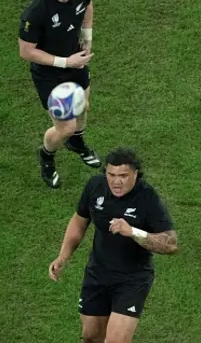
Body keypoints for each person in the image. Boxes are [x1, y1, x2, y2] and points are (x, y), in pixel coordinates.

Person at [49, 147, 178, 343]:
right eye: (111, 174)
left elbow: (170, 244)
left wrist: (133, 232)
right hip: (97, 274)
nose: (116, 181)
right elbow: (79, 221)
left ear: (135, 174)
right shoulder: (95, 187)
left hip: (132, 279)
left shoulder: (148, 198)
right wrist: (63, 256)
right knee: (90, 337)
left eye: (123, 176)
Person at [19, 0, 100, 189]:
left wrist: (87, 39)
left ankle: (76, 143)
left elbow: (87, 7)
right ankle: (46, 155)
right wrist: (67, 62)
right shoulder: (36, 13)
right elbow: (26, 51)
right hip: (49, 74)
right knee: (66, 126)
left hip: (76, 62)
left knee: (83, 107)